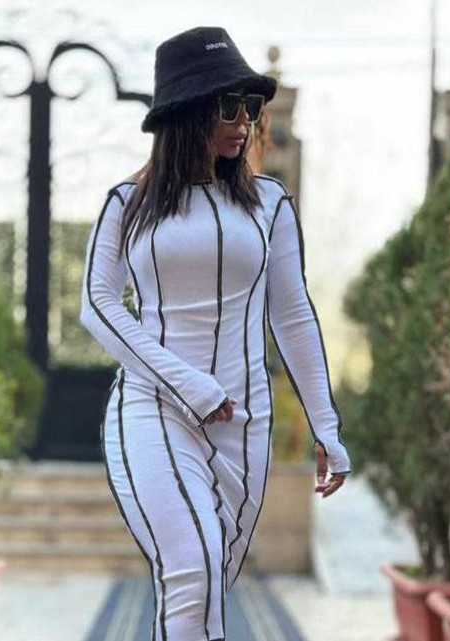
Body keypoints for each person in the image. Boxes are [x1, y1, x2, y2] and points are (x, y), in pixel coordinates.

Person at [79, 25, 351, 641]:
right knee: (194, 570)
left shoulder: (270, 205)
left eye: (250, 107)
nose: (244, 121)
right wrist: (188, 384)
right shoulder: (127, 204)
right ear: (187, 112)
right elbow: (97, 305)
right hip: (153, 408)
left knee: (203, 591)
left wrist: (325, 425)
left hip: (244, 423)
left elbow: (293, 315)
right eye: (229, 106)